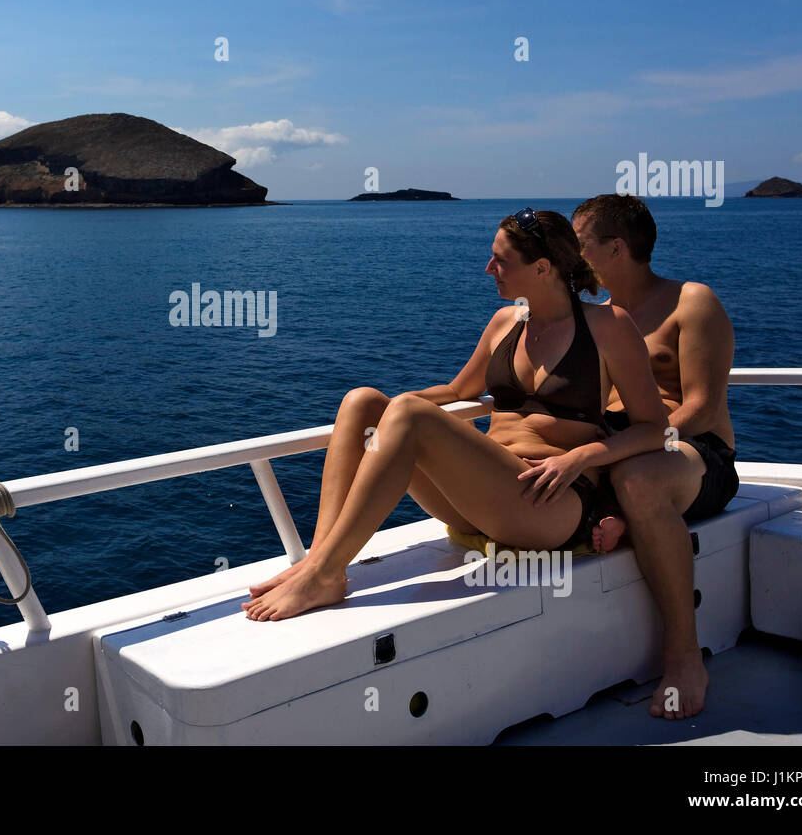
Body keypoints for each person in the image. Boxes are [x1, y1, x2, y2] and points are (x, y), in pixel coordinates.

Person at [243, 208, 669, 624]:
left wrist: (580, 457)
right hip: (480, 497)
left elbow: (654, 429)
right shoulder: (506, 321)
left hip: (550, 501)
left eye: (501, 260)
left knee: (407, 413)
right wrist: (387, 413)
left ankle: (324, 573)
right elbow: (458, 391)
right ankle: (320, 562)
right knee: (362, 402)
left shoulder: (608, 325)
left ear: (542, 268)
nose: (488, 268)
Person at [570, 194, 737, 721]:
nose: (572, 261)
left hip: (690, 451)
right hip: (616, 447)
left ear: (617, 248)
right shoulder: (590, 318)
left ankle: (684, 659)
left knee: (639, 478)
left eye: (579, 247)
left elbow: (703, 408)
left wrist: (625, 446)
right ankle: (612, 510)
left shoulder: (691, 302)